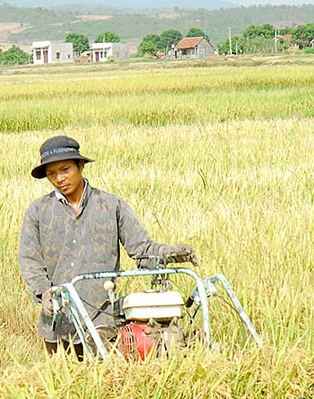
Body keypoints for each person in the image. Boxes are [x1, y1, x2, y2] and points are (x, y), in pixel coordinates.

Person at [19, 135, 197, 357]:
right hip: (59, 324)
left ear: (80, 165)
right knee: (64, 384)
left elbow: (142, 250)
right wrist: (45, 293)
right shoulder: (38, 211)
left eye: (65, 170)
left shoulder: (111, 206)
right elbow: (30, 261)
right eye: (51, 174)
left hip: (102, 321)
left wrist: (168, 254)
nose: (59, 179)